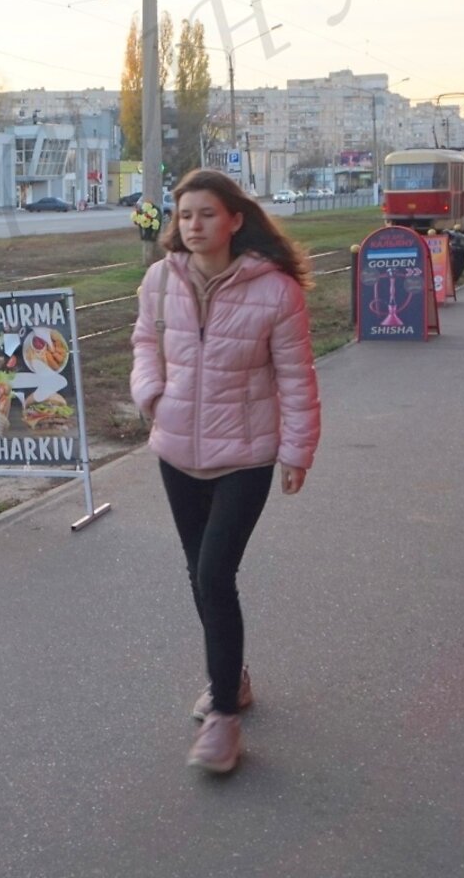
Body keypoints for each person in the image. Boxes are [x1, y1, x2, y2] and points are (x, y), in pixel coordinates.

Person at [130, 169, 321, 775]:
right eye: (185, 216)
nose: (193, 226)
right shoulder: (160, 281)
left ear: (236, 219)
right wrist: (151, 394)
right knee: (199, 572)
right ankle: (230, 678)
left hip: (245, 454)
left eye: (206, 214)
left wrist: (297, 450)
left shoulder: (276, 291)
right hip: (178, 450)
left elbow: (295, 376)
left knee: (215, 573)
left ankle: (223, 720)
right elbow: (143, 341)